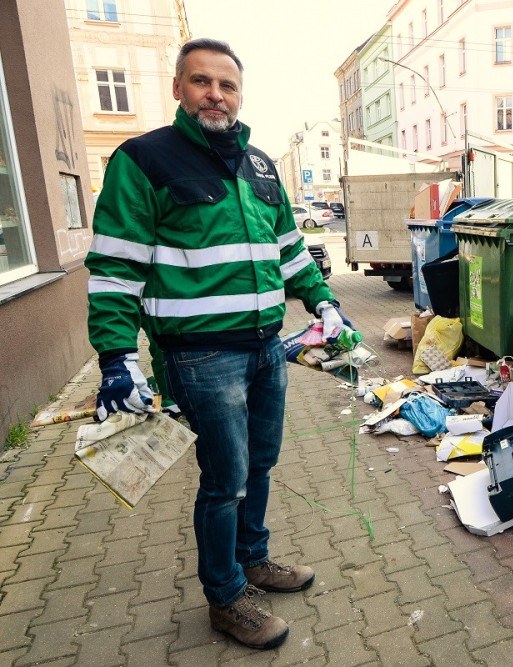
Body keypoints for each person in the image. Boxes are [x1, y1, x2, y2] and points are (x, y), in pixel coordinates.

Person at [84, 37, 352, 651]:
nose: (215, 94)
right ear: (178, 89)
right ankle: (227, 595)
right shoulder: (144, 160)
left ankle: (253, 560)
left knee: (260, 463)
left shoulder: (260, 165)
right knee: (224, 480)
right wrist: (117, 359)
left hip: (267, 347)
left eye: (227, 85)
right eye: (201, 82)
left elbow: (288, 249)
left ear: (240, 94)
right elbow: (115, 270)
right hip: (200, 356)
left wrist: (325, 302)